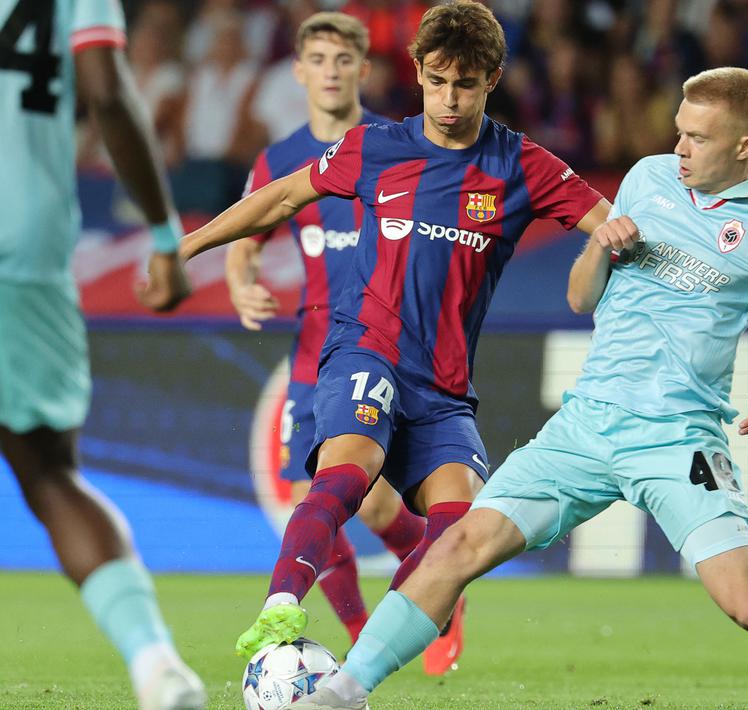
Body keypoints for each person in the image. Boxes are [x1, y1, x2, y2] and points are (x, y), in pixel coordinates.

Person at [296, 67, 748, 710]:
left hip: (677, 441)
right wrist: (599, 247)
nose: (678, 148)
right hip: (584, 425)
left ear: (744, 145)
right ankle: (339, 695)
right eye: (678, 130)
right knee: (458, 547)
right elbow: (581, 298)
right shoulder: (647, 179)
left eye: (697, 138)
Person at [177, 0, 608, 665]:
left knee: (454, 538)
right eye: (436, 81)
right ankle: (281, 604)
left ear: (492, 78)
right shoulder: (376, 148)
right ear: (419, 74)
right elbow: (282, 197)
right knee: (347, 477)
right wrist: (188, 247)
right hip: (363, 349)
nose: (448, 98)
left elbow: (615, 227)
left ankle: (365, 663)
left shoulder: (523, 167)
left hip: (444, 386)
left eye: (464, 83)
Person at [226, 10, 453, 669]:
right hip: (313, 351)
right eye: (317, 61)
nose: (330, 72)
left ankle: (430, 571)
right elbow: (248, 237)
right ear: (298, 72)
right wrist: (242, 282)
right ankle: (363, 636)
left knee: (378, 505)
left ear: (363, 69)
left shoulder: (396, 145)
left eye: (342, 60)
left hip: (387, 349)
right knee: (313, 504)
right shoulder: (279, 159)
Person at [0, 1, 203, 709]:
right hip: (23, 239)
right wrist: (165, 237)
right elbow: (108, 92)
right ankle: (155, 663)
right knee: (51, 475)